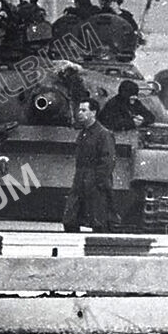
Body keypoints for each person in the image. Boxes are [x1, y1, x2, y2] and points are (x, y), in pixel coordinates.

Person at [63, 98, 117, 233]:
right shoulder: (83, 133)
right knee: (70, 219)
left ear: (93, 112)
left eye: (83, 110)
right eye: (79, 110)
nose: (79, 113)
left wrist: (99, 180)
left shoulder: (103, 134)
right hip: (81, 177)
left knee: (99, 221)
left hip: (96, 179)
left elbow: (108, 160)